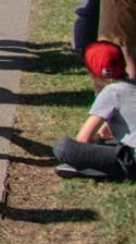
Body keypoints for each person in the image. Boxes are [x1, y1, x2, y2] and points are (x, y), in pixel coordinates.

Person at [53, 41, 134, 180]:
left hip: (131, 159)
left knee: (64, 147)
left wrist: (99, 137)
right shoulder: (131, 85)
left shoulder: (111, 92)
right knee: (112, 145)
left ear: (90, 71)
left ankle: (97, 171)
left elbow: (83, 139)